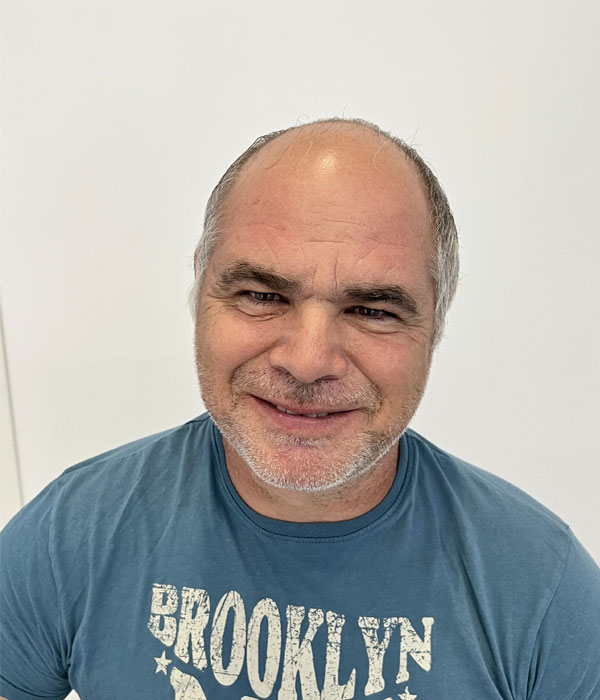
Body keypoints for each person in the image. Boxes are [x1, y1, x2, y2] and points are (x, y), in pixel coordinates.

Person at [1, 118, 599, 700]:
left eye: (372, 310)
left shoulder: (544, 590)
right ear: (200, 290)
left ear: (435, 324)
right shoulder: (69, 535)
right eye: (261, 295)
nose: (308, 361)